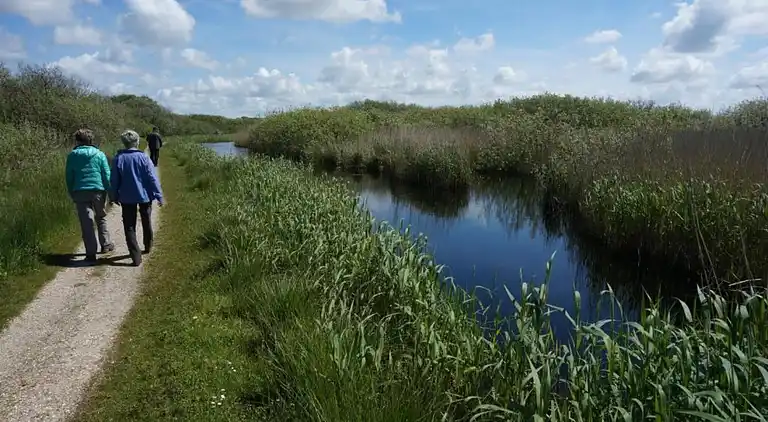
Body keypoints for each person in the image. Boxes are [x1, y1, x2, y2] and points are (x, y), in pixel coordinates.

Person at [110, 130, 164, 266]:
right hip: (144, 196)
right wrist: (158, 195)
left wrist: (113, 196)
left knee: (129, 226)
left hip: (126, 197)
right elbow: (152, 178)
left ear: (124, 143)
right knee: (146, 220)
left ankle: (135, 257)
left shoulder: (119, 158)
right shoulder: (144, 158)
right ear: (137, 142)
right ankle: (148, 245)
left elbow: (114, 180)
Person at [66, 129, 115, 264]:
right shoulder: (99, 154)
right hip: (98, 191)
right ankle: (105, 244)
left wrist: (71, 192)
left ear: (78, 141)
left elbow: (69, 176)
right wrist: (110, 192)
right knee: (100, 217)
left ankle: (91, 253)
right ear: (91, 140)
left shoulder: (73, 155)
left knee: (86, 223)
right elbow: (106, 175)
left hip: (80, 191)